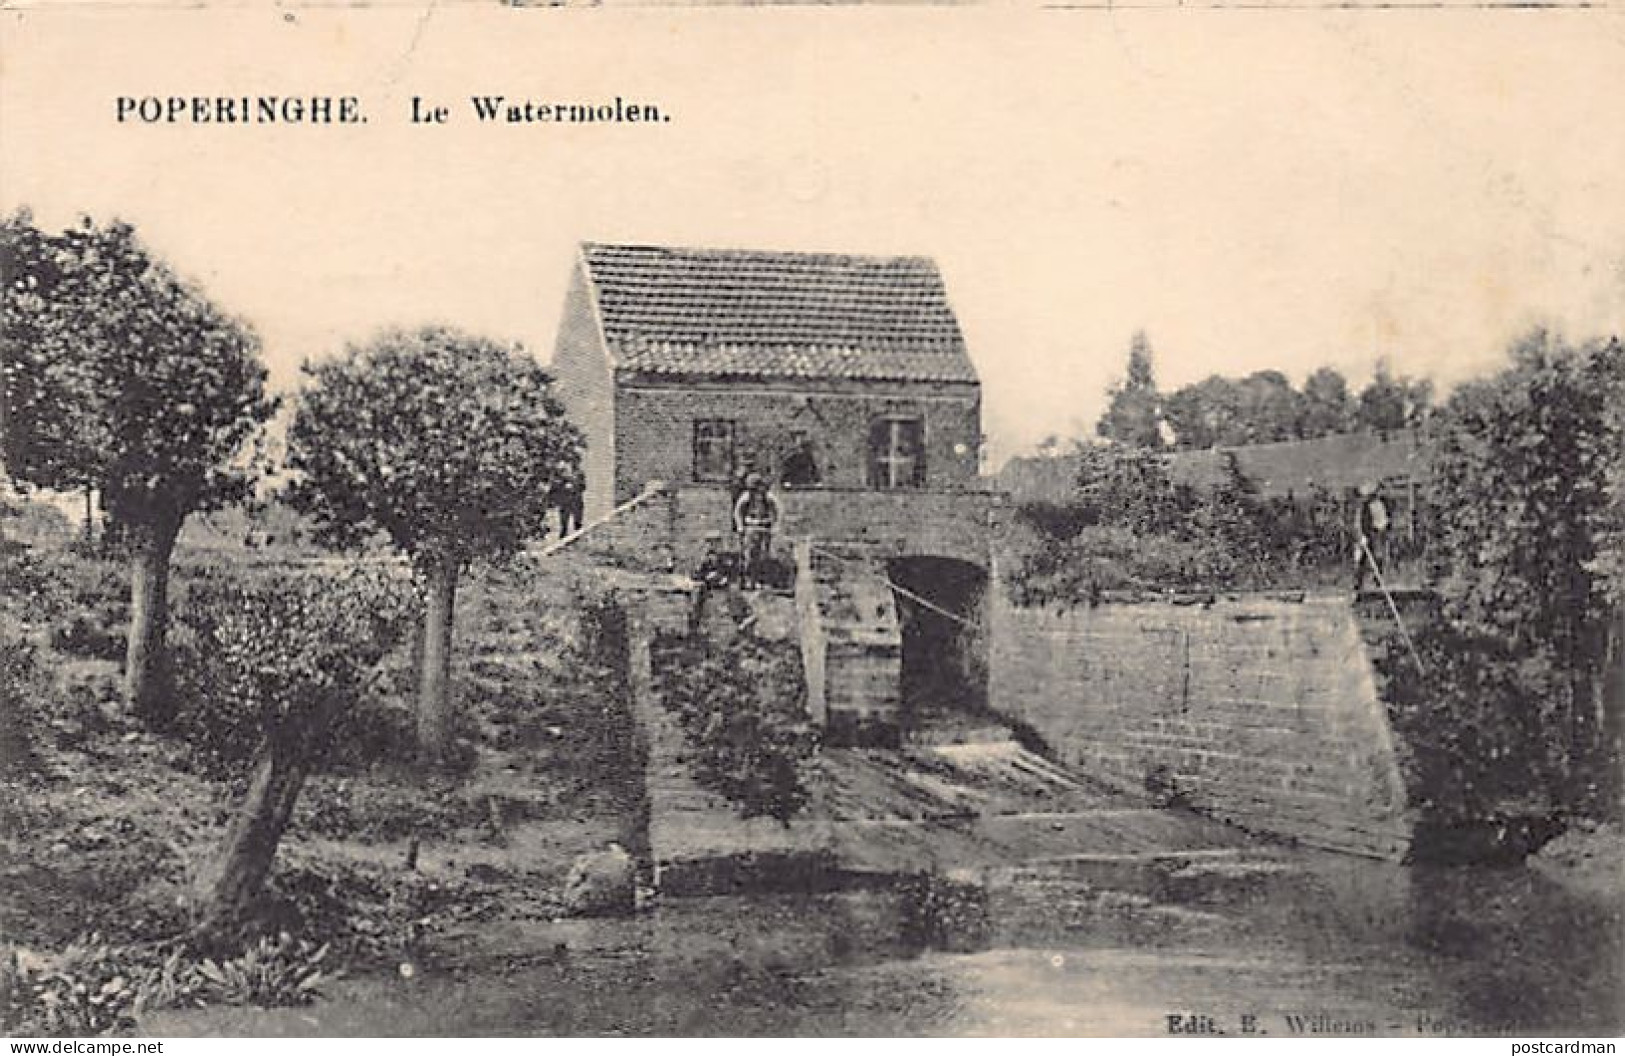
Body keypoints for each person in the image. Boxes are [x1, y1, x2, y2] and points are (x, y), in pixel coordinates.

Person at [732, 472, 781, 590]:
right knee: (749, 555)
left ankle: (763, 580)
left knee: (764, 555)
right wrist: (740, 526)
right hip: (750, 528)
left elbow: (777, 511)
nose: (756, 491)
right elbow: (738, 512)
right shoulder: (746, 497)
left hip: (764, 527)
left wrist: (775, 526)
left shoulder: (768, 497)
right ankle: (749, 580)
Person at [1352, 480, 1390, 592]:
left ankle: (1378, 582)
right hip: (1364, 535)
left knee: (1378, 557)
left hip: (1375, 534)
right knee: (1360, 559)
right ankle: (1358, 584)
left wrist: (1381, 529)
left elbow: (1382, 521)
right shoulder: (1362, 508)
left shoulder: (1378, 505)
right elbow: (1358, 524)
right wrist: (1361, 536)